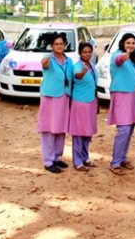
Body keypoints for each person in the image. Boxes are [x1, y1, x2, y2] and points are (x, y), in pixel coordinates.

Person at [36, 33, 74, 174]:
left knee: (61, 128)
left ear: (65, 45)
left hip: (64, 97)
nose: (59, 46)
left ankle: (57, 157)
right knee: (49, 129)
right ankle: (48, 161)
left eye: (61, 43)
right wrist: (45, 64)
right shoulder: (48, 59)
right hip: (50, 98)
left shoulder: (69, 61)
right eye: (56, 44)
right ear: (52, 46)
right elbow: (45, 65)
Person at [108, 33, 135, 175]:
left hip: (134, 95)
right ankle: (115, 162)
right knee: (123, 129)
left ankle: (122, 158)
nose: (131, 46)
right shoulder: (117, 55)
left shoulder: (134, 58)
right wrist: (124, 56)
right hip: (122, 95)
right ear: (122, 43)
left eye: (133, 43)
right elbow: (119, 60)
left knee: (130, 128)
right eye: (128, 43)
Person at [69, 42, 99, 171]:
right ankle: (77, 162)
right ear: (80, 53)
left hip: (91, 103)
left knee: (88, 133)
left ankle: (85, 158)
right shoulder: (77, 66)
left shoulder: (92, 65)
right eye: (84, 52)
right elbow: (78, 75)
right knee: (78, 133)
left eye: (89, 51)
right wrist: (82, 73)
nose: (87, 54)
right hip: (80, 103)